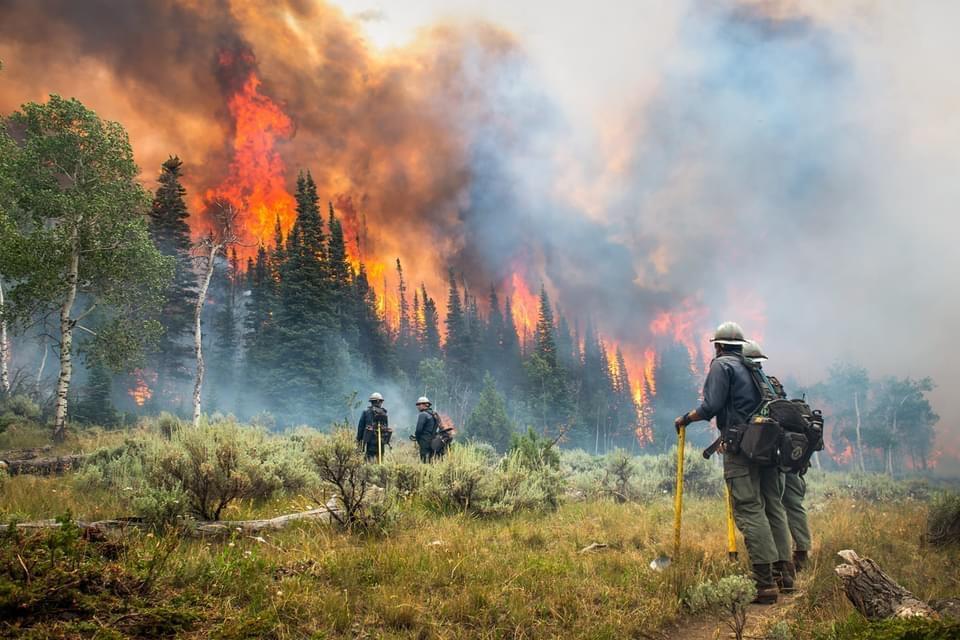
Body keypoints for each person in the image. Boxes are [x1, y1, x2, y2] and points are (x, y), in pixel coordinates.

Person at [674, 322, 787, 604]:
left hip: (742, 449)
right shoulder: (754, 368)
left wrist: (686, 418)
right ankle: (784, 574)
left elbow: (710, 406)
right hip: (767, 446)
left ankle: (764, 584)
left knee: (749, 510)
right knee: (771, 506)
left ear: (718, 345)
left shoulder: (722, 365)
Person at [743, 340, 803, 588]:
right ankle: (785, 571)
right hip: (778, 458)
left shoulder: (749, 386)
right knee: (775, 508)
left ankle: (767, 575)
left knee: (754, 509)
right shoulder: (772, 384)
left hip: (758, 455)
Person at [356, 392, 390, 462]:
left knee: (369, 461)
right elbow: (386, 427)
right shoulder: (384, 413)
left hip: (370, 443)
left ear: (371, 402)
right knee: (380, 460)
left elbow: (360, 428)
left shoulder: (366, 412)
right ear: (379, 402)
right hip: (381, 442)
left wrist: (359, 441)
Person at [413, 396, 439, 463]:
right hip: (433, 440)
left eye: (419, 404)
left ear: (424, 405)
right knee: (431, 460)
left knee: (424, 460)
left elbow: (418, 430)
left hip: (424, 441)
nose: (418, 406)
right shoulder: (433, 414)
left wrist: (417, 437)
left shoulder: (423, 414)